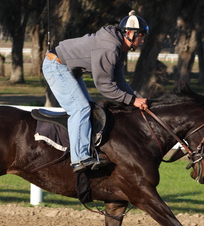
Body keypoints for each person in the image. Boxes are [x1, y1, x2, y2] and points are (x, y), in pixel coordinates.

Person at [42, 10, 149, 173]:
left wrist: (137, 98)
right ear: (128, 33)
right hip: (56, 66)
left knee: (89, 109)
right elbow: (105, 86)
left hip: (68, 69)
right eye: (140, 36)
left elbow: (119, 82)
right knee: (80, 108)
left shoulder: (119, 49)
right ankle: (79, 159)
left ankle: (87, 151)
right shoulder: (110, 49)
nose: (142, 40)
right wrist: (133, 101)